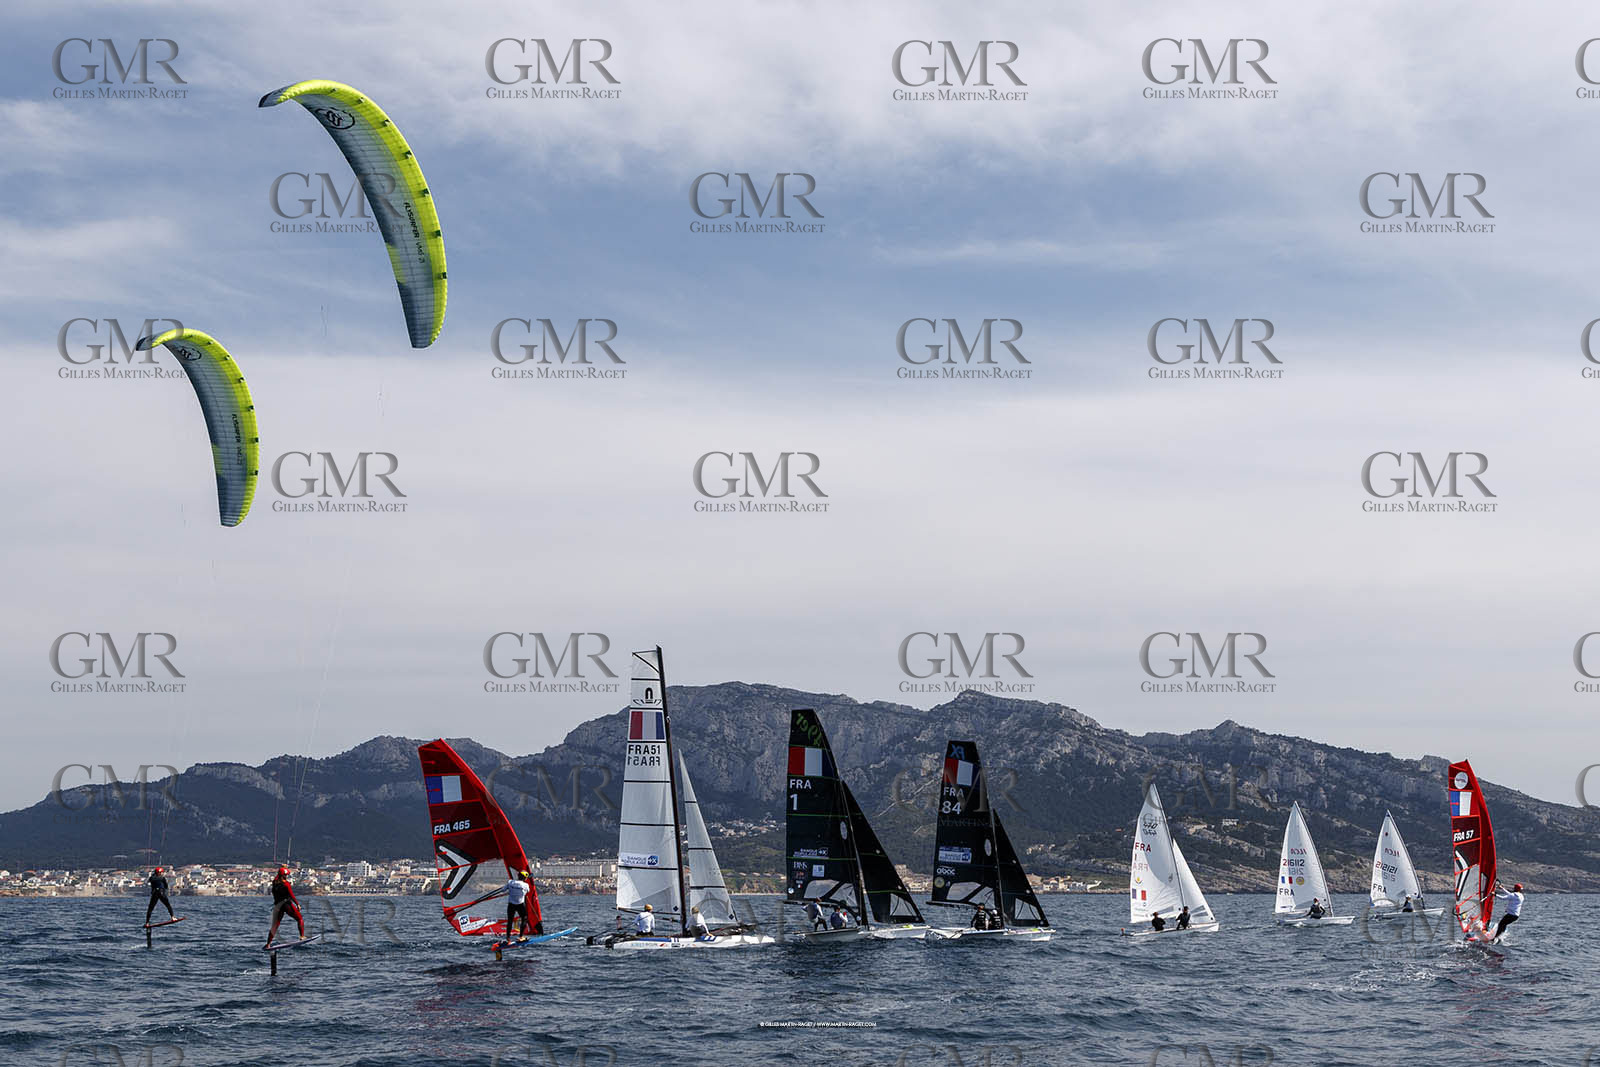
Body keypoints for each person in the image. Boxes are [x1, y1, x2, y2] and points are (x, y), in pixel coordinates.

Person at [266, 866, 304, 948]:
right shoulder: (286, 884)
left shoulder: (274, 883)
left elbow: (278, 876)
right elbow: (291, 895)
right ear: (284, 876)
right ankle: (302, 936)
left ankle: (268, 944)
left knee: (275, 926)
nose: (287, 877)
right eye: (286, 875)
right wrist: (297, 904)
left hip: (278, 906)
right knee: (299, 918)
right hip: (287, 905)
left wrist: (282, 869)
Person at [505, 870, 531, 940]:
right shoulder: (526, 885)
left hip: (511, 905)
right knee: (524, 919)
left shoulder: (510, 882)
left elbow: (504, 889)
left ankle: (508, 937)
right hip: (520, 905)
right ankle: (521, 936)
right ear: (525, 878)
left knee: (510, 921)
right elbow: (528, 891)